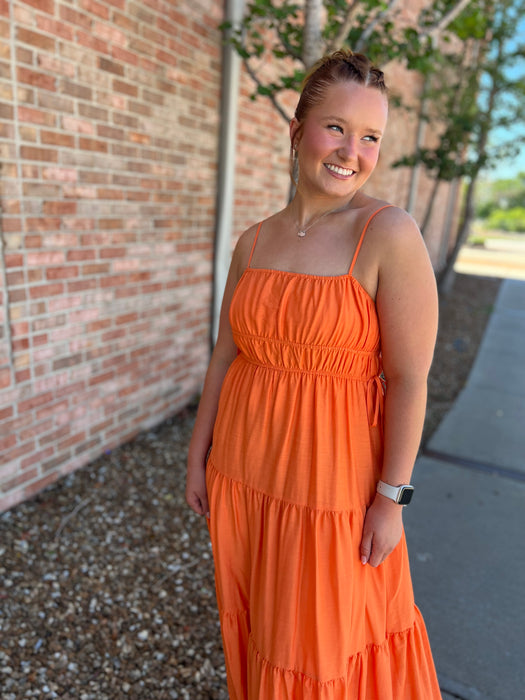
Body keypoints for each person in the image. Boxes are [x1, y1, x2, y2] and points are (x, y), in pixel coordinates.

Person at [186, 49, 441, 699]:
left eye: (370, 137)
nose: (350, 151)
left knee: (323, 644)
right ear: (296, 130)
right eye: (335, 127)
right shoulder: (253, 241)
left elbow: (411, 380)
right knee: (261, 630)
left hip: (332, 491)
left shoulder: (387, 235)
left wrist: (392, 499)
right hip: (242, 475)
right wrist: (198, 457)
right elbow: (225, 355)